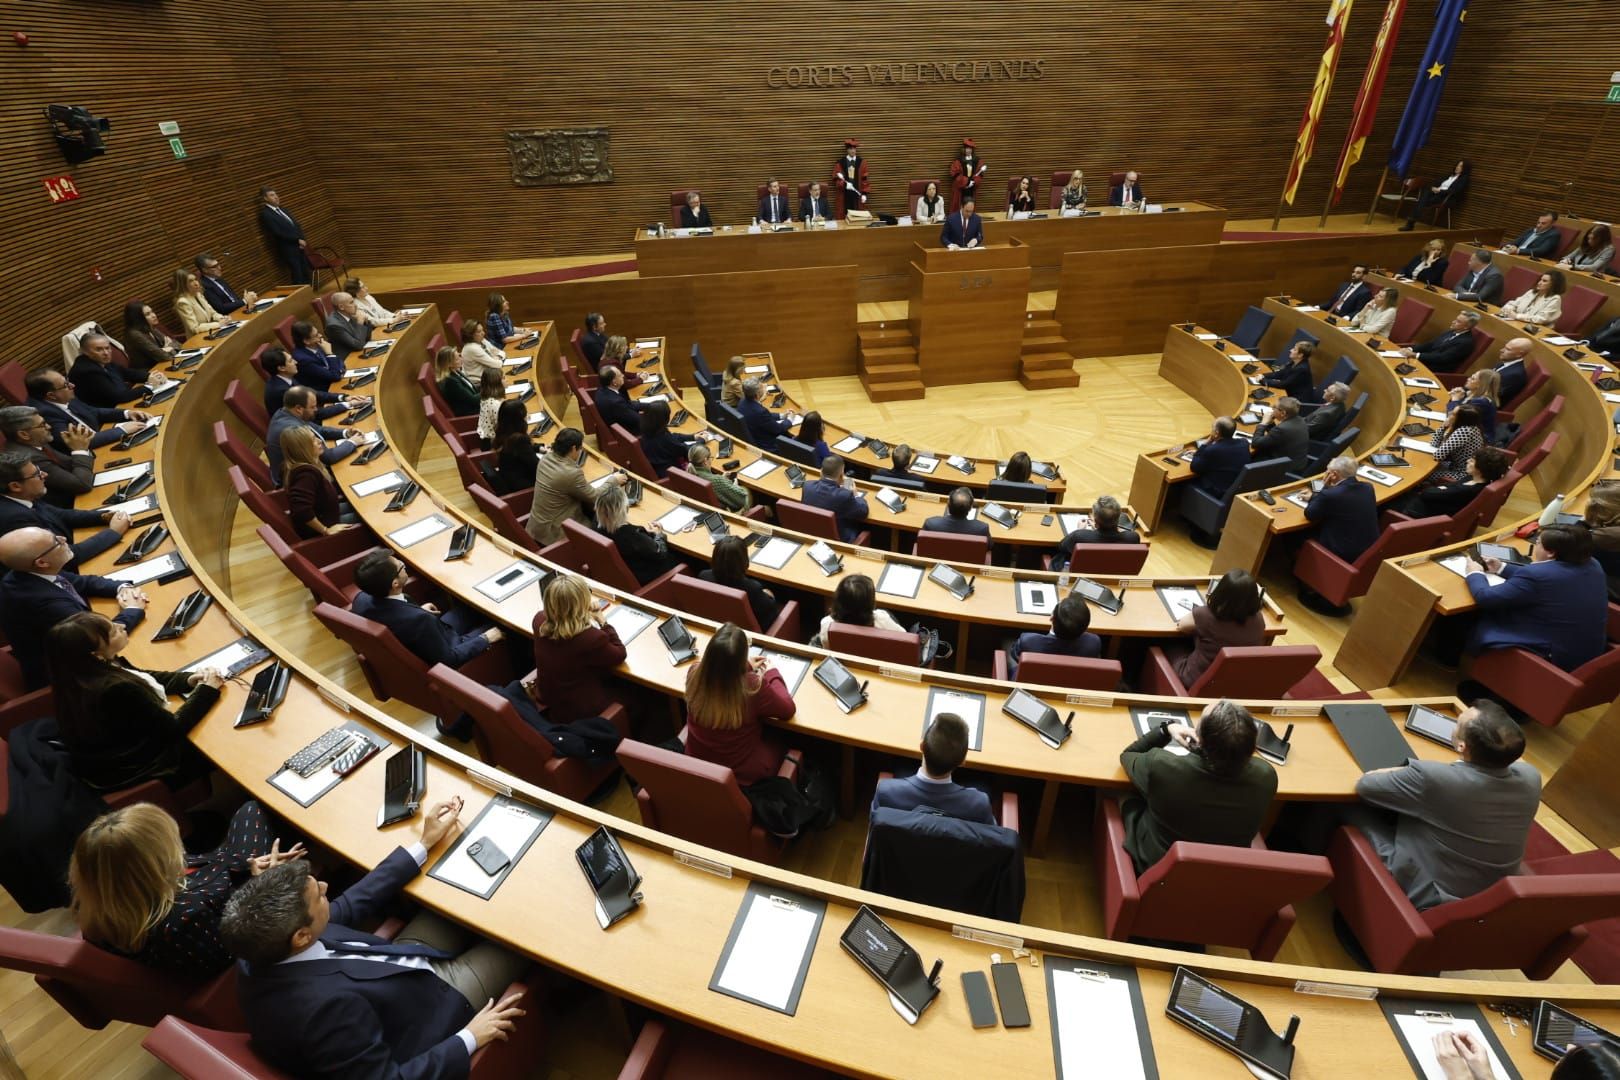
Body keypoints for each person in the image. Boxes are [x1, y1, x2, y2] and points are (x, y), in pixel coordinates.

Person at [219, 797, 531, 1079]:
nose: (327, 887)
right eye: (319, 896)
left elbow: (357, 900)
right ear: (301, 936)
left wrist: (423, 844)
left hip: (396, 963)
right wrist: (469, 1038)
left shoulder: (259, 942)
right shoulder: (327, 1015)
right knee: (520, 931)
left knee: (462, 891)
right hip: (438, 1005)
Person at [70, 800, 297, 976]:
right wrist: (262, 886)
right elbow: (239, 948)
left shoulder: (103, 900)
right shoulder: (185, 921)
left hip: (215, 878)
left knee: (253, 809)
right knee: (262, 811)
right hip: (239, 905)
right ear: (153, 868)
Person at [1351, 700, 1539, 911]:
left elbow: (1366, 786)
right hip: (1492, 895)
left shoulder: (1434, 778)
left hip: (1432, 893)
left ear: (1461, 746)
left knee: (1348, 808)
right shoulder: (1532, 777)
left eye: (1456, 724)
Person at [45, 611, 221, 791]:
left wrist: (188, 680)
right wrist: (207, 690)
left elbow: (143, 677)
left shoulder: (87, 670)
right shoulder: (114, 689)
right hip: (144, 766)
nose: (121, 627)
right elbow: (173, 728)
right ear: (96, 654)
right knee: (217, 740)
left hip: (125, 749)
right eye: (113, 631)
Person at [1119, 699, 1278, 873]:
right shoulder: (1267, 777)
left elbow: (1129, 755)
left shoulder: (1163, 766)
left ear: (1199, 741)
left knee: (1122, 791)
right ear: (1251, 747)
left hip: (1161, 868)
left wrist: (1166, 729)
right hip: (1221, 873)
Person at [0, 526, 148, 688]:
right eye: (56, 542)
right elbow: (100, 638)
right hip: (76, 680)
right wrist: (132, 610)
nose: (63, 539)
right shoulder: (47, 605)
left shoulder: (26, 573)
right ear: (42, 562)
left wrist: (122, 588)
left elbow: (84, 582)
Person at [1461, 522, 1607, 671]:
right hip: (1585, 650)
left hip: (1551, 655)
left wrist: (1475, 573)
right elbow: (1545, 578)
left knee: (1476, 615)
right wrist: (1501, 568)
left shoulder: (1538, 575)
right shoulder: (1592, 564)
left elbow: (1486, 598)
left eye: (1537, 543)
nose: (1536, 546)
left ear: (1551, 552)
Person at [682, 623, 796, 785]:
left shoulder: (694, 673)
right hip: (741, 775)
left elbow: (721, 671)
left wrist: (746, 666)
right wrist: (772, 673)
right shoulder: (752, 686)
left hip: (699, 765)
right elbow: (788, 709)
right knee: (786, 738)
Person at [351, 551, 502, 667]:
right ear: (395, 584)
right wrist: (486, 638)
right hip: (452, 647)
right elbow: (449, 660)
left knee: (470, 605)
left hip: (429, 635)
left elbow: (397, 617)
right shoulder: (419, 620)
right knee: (501, 623)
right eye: (400, 566)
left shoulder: (361, 599)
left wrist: (416, 609)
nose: (404, 564)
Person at [0, 451, 129, 569]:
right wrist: (113, 532)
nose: (45, 475)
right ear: (16, 486)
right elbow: (64, 557)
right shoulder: (14, 519)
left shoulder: (22, 496)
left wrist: (103, 516)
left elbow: (62, 515)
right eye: (37, 474)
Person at [531, 573, 627, 725]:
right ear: (581, 603)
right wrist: (602, 621)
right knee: (636, 696)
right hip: (581, 713)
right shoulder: (590, 638)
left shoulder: (539, 621)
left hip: (550, 700)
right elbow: (619, 654)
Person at [872, 713, 995, 825]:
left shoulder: (886, 792)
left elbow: (875, 826)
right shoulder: (979, 804)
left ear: (921, 746)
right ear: (963, 761)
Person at [1169, 569, 1266, 686]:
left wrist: (1205, 608)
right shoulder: (1259, 620)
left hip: (1194, 682)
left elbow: (1182, 626)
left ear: (1220, 592)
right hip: (1232, 683)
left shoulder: (1206, 615)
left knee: (1167, 643)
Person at [527, 427, 620, 546]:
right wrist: (614, 480)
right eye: (580, 448)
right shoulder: (571, 473)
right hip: (556, 533)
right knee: (607, 522)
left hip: (537, 527)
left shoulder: (545, 459)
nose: (581, 451)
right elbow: (596, 497)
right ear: (573, 448)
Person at [0, 405, 98, 506]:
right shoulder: (29, 458)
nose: (49, 426)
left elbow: (71, 464)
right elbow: (82, 484)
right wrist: (79, 450)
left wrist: (80, 448)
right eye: (42, 425)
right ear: (24, 434)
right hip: (70, 506)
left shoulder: (36, 442)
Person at [266, 386, 359, 486]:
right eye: (312, 407)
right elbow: (328, 457)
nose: (316, 410)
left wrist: (345, 433)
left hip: (306, 471)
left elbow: (318, 430)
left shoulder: (286, 413)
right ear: (299, 408)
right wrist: (353, 442)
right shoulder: (293, 429)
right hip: (301, 482)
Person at [1390, 445, 1509, 519]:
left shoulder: (1467, 490)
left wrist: (1442, 489)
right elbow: (1442, 490)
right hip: (1429, 503)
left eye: (1472, 461)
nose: (1468, 461)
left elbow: (1428, 494)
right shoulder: (1475, 479)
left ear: (1481, 468)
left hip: (1417, 513)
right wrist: (1442, 489)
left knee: (1389, 498)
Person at [282, 426, 357, 539]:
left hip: (328, 513)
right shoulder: (305, 474)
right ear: (303, 448)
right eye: (313, 440)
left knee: (361, 503)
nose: (319, 441)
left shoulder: (302, 466)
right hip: (324, 526)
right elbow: (301, 510)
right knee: (370, 515)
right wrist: (325, 530)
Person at [596, 483, 679, 586]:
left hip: (631, 571)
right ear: (626, 508)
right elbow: (660, 552)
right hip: (653, 578)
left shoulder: (598, 527)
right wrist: (659, 534)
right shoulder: (631, 535)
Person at [1007, 595, 1102, 679]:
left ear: (1051, 617)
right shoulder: (1094, 643)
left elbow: (1014, 654)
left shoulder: (1028, 641)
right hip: (1073, 683)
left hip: (1033, 684)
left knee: (1007, 642)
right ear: (1085, 628)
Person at [1305, 456, 1379, 562]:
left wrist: (1324, 488)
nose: (1325, 473)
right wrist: (1315, 497)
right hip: (1368, 549)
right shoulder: (1368, 487)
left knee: (1295, 535)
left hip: (1341, 553)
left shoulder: (1330, 494)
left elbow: (1310, 514)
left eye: (1327, 470)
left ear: (1334, 475)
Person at [701, 535, 781, 630]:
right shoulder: (752, 589)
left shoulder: (703, 576)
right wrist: (769, 595)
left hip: (720, 627)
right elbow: (772, 614)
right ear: (744, 560)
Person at [813, 572, 906, 646]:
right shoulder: (883, 620)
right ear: (871, 603)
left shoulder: (827, 624)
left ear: (838, 600)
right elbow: (905, 640)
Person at [264, 346, 355, 418]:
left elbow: (312, 393)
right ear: (281, 368)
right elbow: (312, 414)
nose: (296, 362)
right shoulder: (281, 390)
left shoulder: (286, 377)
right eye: (291, 361)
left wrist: (343, 397)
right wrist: (346, 405)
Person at [70, 332, 153, 408]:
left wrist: (150, 376)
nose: (106, 353)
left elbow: (127, 373)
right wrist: (150, 386)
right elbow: (120, 397)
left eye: (107, 348)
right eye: (99, 349)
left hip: (121, 406)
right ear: (85, 352)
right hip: (108, 415)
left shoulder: (100, 360)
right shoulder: (87, 371)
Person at [1053, 494, 1139, 567]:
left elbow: (1061, 546)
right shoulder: (1133, 538)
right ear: (1119, 518)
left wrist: (1079, 530)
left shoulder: (1079, 536)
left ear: (1096, 522)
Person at [802, 456, 868, 542]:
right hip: (839, 540)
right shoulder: (845, 495)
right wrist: (855, 494)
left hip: (812, 534)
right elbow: (863, 512)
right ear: (841, 474)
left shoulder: (807, 486)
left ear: (821, 471)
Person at [257, 186, 312, 285]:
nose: (276, 197)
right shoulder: (266, 214)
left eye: (276, 194)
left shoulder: (284, 210)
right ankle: (301, 298)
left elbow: (296, 225)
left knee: (306, 272)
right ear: (265, 198)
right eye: (272, 195)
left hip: (300, 246)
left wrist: (302, 239)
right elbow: (277, 232)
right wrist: (297, 240)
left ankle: (310, 295)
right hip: (289, 249)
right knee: (297, 274)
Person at [1399, 159, 1470, 231]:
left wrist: (1440, 190)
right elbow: (1436, 182)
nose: (1457, 167)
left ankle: (1410, 223)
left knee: (1422, 201)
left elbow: (1455, 191)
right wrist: (1434, 188)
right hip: (1434, 194)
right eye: (1457, 165)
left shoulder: (1463, 179)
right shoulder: (1449, 175)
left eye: (1460, 166)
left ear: (1465, 168)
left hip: (1445, 198)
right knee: (1426, 192)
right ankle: (1412, 221)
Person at [1400, 310, 1481, 373]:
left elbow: (1442, 358)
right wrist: (1410, 349)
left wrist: (1415, 355)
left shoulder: (1465, 343)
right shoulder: (1451, 331)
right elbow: (1430, 344)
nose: (1453, 322)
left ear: (1466, 327)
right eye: (1456, 319)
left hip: (1435, 370)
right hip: (1425, 361)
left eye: (1458, 321)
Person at [1188, 417, 1249, 497]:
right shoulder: (1244, 443)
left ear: (1216, 432)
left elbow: (1194, 467)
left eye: (1212, 428)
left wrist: (1206, 443)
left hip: (1214, 492)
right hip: (1232, 488)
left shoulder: (1213, 450)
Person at [489, 400, 539, 496]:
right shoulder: (519, 440)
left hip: (511, 479)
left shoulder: (504, 433)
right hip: (524, 487)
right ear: (519, 419)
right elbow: (538, 467)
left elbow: (522, 451)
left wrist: (538, 448)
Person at [1429, 403, 1485, 485]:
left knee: (1426, 474)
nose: (1449, 414)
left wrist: (1443, 427)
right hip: (1455, 466)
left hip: (1462, 474)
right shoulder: (1473, 427)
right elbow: (1435, 445)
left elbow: (1438, 455)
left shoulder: (1463, 431)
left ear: (1461, 419)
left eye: (1453, 414)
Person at [1249, 396, 1309, 471]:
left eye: (1274, 407)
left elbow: (1255, 444)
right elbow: (1278, 436)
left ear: (1283, 413)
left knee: (1247, 455)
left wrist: (1263, 423)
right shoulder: (1300, 420)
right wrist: (1270, 423)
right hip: (1297, 461)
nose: (1272, 409)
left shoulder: (1282, 429)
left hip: (1283, 468)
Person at [688, 442, 751, 512]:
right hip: (728, 514)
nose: (711, 461)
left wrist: (722, 479)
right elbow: (742, 500)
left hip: (703, 510)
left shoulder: (689, 473)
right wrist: (735, 486)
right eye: (711, 458)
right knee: (746, 490)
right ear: (705, 461)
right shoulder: (717, 480)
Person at [638, 401, 693, 479]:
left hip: (660, 465)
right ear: (665, 418)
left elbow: (672, 437)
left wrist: (692, 437)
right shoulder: (664, 438)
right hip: (673, 476)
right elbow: (687, 450)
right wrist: (702, 441)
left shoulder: (648, 429)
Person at [1445, 367, 1500, 444]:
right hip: (1464, 433)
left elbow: (1453, 417)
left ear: (1481, 384)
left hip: (1477, 442)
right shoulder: (1473, 393)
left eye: (1473, 378)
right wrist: (1460, 396)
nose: (1468, 379)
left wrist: (1455, 399)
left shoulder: (1482, 402)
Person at [123, 300, 181, 369]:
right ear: (138, 318)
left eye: (152, 312)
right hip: (150, 373)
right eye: (148, 314)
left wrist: (166, 348)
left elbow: (178, 345)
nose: (154, 315)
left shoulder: (149, 327)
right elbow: (165, 356)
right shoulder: (134, 334)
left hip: (164, 366)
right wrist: (164, 349)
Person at [291, 320, 345, 392]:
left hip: (335, 382)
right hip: (327, 390)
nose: (320, 335)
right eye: (316, 335)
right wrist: (330, 354)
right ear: (306, 341)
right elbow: (334, 377)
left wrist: (339, 371)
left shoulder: (316, 345)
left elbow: (340, 361)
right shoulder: (303, 360)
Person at [1497, 269, 1565, 327]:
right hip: (1519, 323)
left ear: (1553, 284)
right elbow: (1513, 304)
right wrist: (1509, 310)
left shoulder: (1555, 299)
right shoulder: (1532, 292)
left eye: (1544, 281)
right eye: (1540, 280)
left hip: (1536, 330)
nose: (1539, 283)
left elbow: (1541, 319)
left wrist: (1517, 316)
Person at [739, 378, 792, 450]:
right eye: (762, 388)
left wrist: (781, 416)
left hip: (756, 436)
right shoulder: (760, 412)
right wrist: (790, 419)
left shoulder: (742, 402)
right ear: (757, 394)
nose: (764, 389)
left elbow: (766, 417)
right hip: (768, 445)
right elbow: (778, 429)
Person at [171, 267, 225, 336]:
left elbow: (213, 313)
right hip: (198, 338)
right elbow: (195, 328)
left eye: (195, 279)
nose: (196, 283)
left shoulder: (198, 294)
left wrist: (222, 318)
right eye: (190, 281)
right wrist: (218, 324)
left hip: (211, 333)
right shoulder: (183, 302)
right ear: (183, 285)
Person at [322, 292, 373, 361]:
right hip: (347, 358)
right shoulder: (334, 325)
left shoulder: (349, 314)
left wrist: (365, 321)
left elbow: (366, 337)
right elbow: (358, 345)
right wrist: (360, 322)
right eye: (351, 302)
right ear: (341, 307)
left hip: (357, 352)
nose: (356, 305)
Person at [923, 486, 991, 537]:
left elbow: (921, 541)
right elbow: (989, 546)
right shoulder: (981, 528)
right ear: (970, 508)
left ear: (948, 504)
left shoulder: (931, 523)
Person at [594, 365, 643, 434]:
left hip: (621, 421)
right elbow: (637, 420)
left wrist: (648, 405)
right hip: (627, 432)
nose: (623, 376)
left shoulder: (603, 389)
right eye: (620, 375)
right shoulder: (616, 402)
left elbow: (628, 404)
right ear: (614, 382)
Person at [434, 344, 479, 416]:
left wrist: (491, 383)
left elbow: (471, 387)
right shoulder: (451, 382)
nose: (461, 359)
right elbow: (472, 400)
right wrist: (491, 388)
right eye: (457, 359)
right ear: (449, 364)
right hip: (472, 413)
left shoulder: (455, 371)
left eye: (459, 355)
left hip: (476, 406)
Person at [832, 139, 869, 218]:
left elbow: (864, 180)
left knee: (859, 217)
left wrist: (864, 194)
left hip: (857, 195)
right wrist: (844, 184)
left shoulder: (862, 162)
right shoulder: (840, 163)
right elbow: (836, 180)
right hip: (844, 195)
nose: (853, 151)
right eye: (850, 149)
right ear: (847, 150)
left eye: (854, 148)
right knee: (844, 217)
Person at [948, 138, 985, 212]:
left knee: (971, 206)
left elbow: (980, 174)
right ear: (964, 149)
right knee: (959, 207)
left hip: (972, 189)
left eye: (970, 148)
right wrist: (967, 182)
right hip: (961, 189)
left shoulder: (977, 160)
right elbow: (955, 174)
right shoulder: (958, 160)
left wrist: (974, 182)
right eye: (967, 148)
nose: (969, 150)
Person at [475, 368, 505, 450]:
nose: (506, 380)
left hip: (489, 440)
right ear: (497, 383)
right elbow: (505, 426)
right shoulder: (494, 404)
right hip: (493, 445)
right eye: (503, 378)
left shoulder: (487, 397)